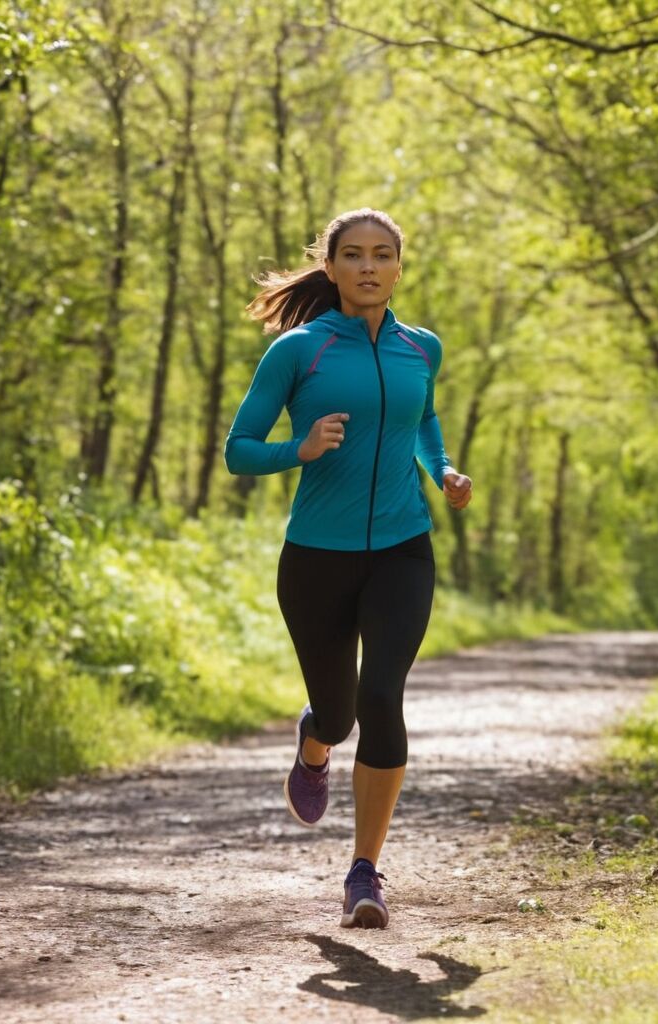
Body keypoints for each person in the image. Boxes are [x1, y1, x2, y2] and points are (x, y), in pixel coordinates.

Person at [224, 208, 472, 930]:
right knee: (338, 714)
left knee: (382, 697)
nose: (369, 266)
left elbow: (421, 424)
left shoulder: (421, 348)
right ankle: (314, 739)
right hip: (316, 562)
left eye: (382, 254)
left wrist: (444, 470)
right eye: (354, 255)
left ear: (400, 266)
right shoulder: (298, 352)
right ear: (329, 267)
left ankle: (364, 872)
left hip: (403, 549)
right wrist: (296, 450)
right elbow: (239, 448)